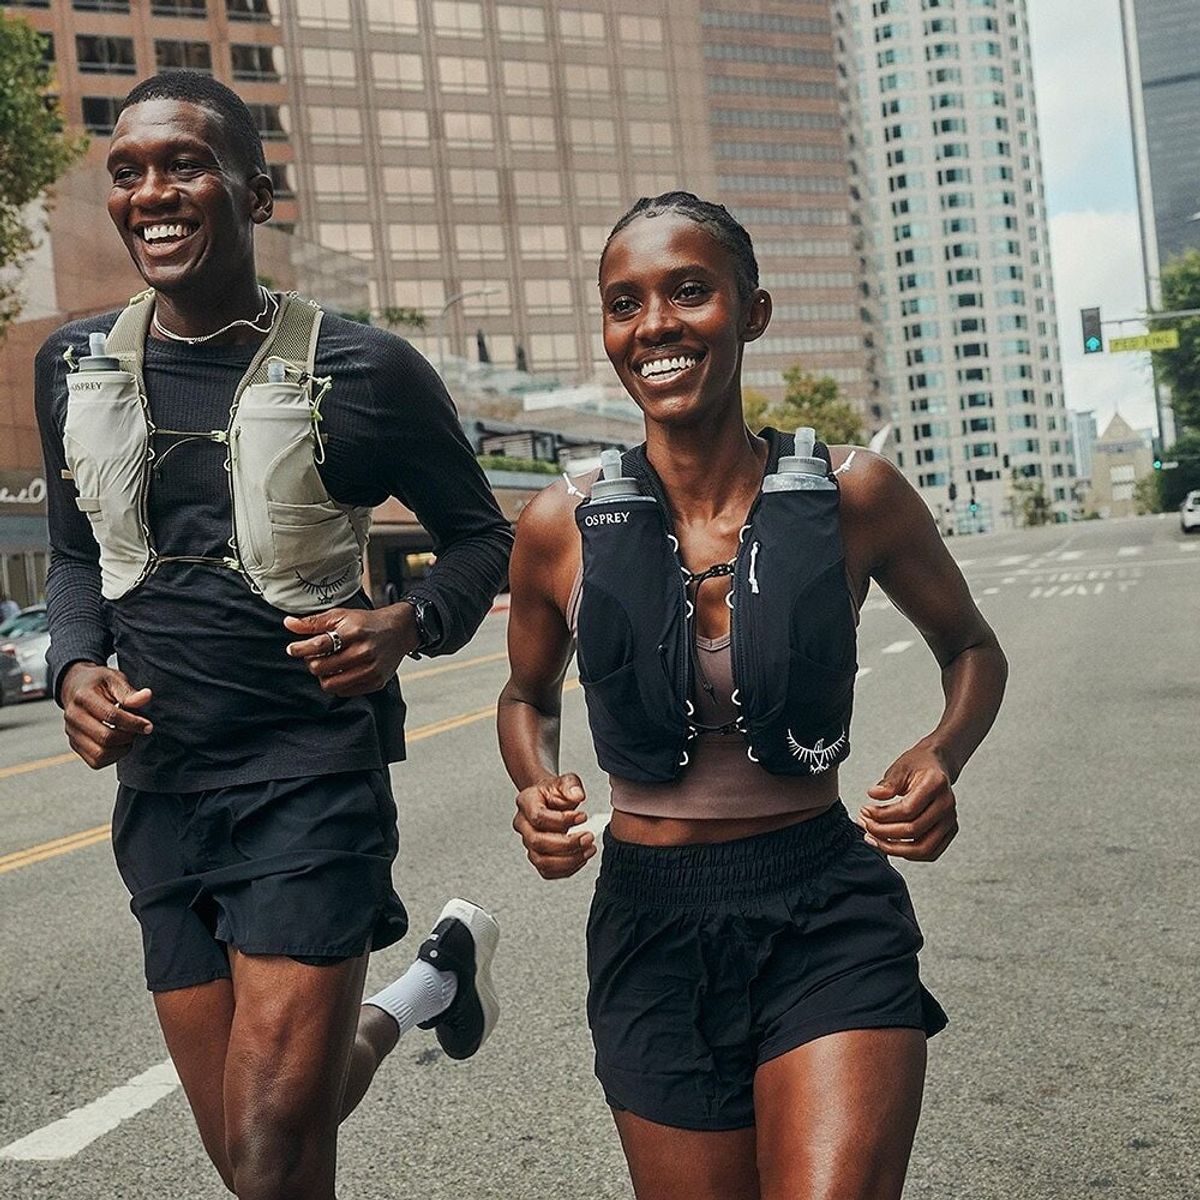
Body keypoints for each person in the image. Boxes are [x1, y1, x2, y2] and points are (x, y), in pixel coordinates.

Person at [35, 73, 510, 1199]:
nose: (154, 192)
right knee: (259, 1152)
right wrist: (72, 665)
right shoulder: (74, 365)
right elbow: (69, 558)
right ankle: (430, 988)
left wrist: (410, 620)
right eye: (130, 171)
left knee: (265, 1153)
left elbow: (485, 536)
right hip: (162, 794)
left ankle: (421, 989)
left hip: (308, 780)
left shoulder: (365, 371)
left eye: (185, 165)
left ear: (254, 189)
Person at [498, 192, 1008, 1200]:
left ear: (753, 311)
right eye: (625, 303)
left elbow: (972, 648)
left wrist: (940, 753)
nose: (656, 325)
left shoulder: (857, 493)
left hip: (826, 906)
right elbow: (525, 695)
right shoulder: (558, 523)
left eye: (690, 291)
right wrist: (535, 782)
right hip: (650, 928)